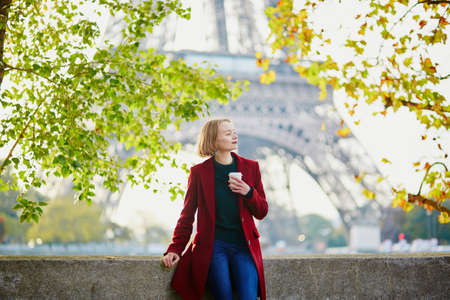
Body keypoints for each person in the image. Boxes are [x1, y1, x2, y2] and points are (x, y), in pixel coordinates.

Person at [161, 118, 268, 300]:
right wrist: (175, 249)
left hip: (244, 245)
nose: (234, 136)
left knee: (248, 297)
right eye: (228, 133)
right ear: (213, 140)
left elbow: (262, 211)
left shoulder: (251, 168)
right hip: (213, 247)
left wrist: (248, 192)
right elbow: (187, 216)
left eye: (234, 131)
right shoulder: (198, 173)